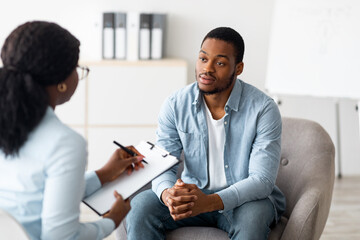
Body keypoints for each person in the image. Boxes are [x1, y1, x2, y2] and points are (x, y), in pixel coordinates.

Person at [126, 27, 286, 240]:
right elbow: (162, 165)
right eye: (203, 58)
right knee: (141, 205)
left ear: (238, 68)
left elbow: (261, 180)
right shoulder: (175, 105)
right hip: (194, 196)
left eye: (219, 63)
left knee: (253, 219)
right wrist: (168, 194)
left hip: (244, 201)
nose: (207, 68)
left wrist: (209, 202)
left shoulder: (263, 109)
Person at [0, 21, 144, 240]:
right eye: (77, 68)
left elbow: (37, 198)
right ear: (61, 83)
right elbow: (62, 236)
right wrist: (112, 220)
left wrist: (104, 174)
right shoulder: (64, 143)